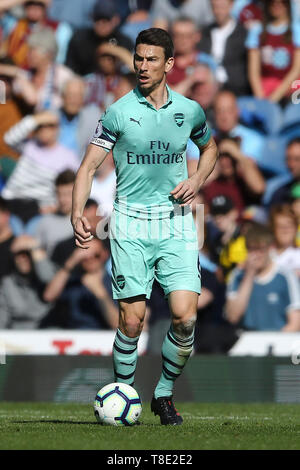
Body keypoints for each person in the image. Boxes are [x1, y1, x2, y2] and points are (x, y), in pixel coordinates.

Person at [71, 28, 218, 425]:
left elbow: (210, 148)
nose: (142, 66)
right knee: (132, 320)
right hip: (131, 225)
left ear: (169, 64)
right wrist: (76, 210)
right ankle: (125, 395)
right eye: (138, 58)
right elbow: (88, 167)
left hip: (176, 224)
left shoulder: (189, 111)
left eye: (152, 59)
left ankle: (163, 395)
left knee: (186, 317)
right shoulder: (118, 111)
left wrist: (197, 180)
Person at [225, 222, 300, 331]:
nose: (255, 255)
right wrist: (249, 275)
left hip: (278, 343)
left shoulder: (286, 276)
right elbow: (233, 316)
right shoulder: (238, 276)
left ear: (270, 248)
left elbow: (295, 323)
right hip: (245, 343)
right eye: (251, 249)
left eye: (260, 249)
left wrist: (274, 344)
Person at [42, 237, 118, 330]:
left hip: (102, 339)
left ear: (105, 255)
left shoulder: (116, 284)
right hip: (74, 337)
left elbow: (117, 325)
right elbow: (49, 296)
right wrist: (72, 261)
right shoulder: (73, 281)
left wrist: (101, 293)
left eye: (96, 255)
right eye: (84, 256)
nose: (90, 259)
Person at [246, 0, 300, 103]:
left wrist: (275, 98)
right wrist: (262, 99)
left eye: (282, 2)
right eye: (272, 2)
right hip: (265, 89)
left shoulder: (296, 30)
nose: (277, 5)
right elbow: (253, 72)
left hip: (291, 89)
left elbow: (296, 70)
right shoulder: (257, 31)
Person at [0, 234, 56, 329]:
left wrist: (34, 246)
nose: (23, 259)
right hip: (17, 335)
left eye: (27, 254)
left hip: (46, 332)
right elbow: (2, 317)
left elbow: (49, 279)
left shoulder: (46, 278)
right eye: (19, 255)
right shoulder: (8, 283)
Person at [65, 0, 133, 77]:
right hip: (83, 84)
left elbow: (134, 69)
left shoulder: (124, 40)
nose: (101, 24)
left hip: (116, 85)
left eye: (106, 20)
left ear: (116, 20)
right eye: (97, 19)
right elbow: (69, 70)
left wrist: (112, 50)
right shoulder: (80, 38)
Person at [199, 0, 250, 96]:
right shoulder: (206, 32)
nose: (218, 11)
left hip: (236, 90)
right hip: (209, 88)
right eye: (214, 7)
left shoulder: (242, 33)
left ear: (231, 5)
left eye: (221, 7)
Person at [269, 203, 300, 276]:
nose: (285, 230)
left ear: (296, 228)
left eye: (289, 225)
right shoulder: (265, 255)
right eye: (280, 226)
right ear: (273, 228)